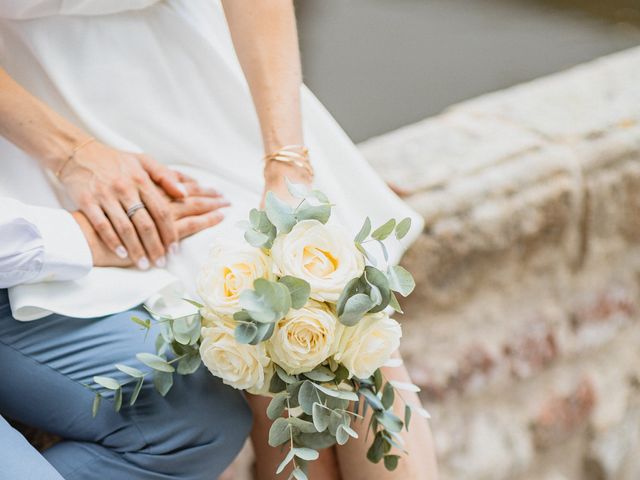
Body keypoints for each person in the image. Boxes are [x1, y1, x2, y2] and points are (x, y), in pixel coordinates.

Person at [0, 0, 438, 478]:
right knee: (265, 364)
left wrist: (287, 157)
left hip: (211, 91)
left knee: (351, 342)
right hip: (45, 110)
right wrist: (70, 154)